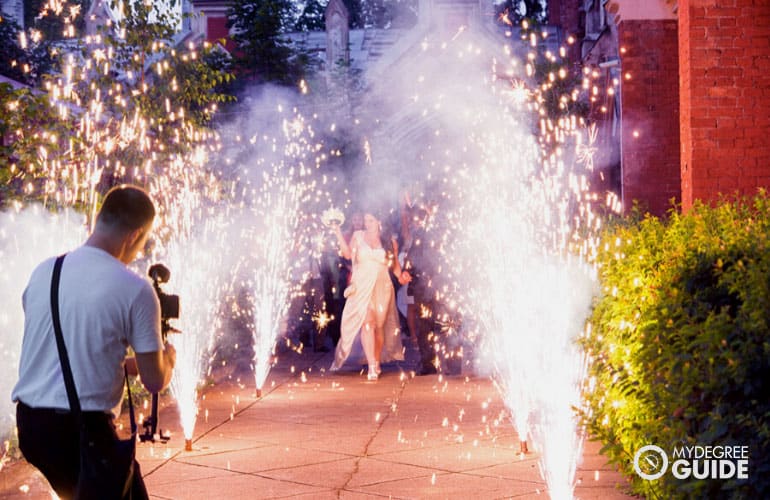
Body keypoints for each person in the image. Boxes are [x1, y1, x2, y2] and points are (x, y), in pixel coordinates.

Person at [12, 185, 177, 499]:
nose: (139, 252)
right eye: (143, 242)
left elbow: (64, 347)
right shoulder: (135, 288)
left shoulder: (45, 271)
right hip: (81, 430)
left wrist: (126, 365)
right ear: (135, 234)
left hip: (32, 427)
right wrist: (168, 359)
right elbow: (155, 380)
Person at [329, 211, 405, 380]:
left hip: (382, 288)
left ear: (379, 221)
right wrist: (338, 232)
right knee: (367, 323)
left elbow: (395, 267)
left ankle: (376, 360)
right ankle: (371, 365)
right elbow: (348, 254)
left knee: (378, 328)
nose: (367, 224)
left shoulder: (389, 242)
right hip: (362, 286)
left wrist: (402, 276)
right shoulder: (358, 236)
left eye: (371, 221)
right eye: (365, 221)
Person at [399, 199, 439, 376]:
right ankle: (433, 363)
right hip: (426, 284)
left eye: (415, 219)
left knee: (428, 324)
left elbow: (418, 259)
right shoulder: (422, 234)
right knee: (430, 323)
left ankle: (430, 363)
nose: (413, 222)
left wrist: (409, 270)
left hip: (428, 284)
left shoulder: (425, 234)